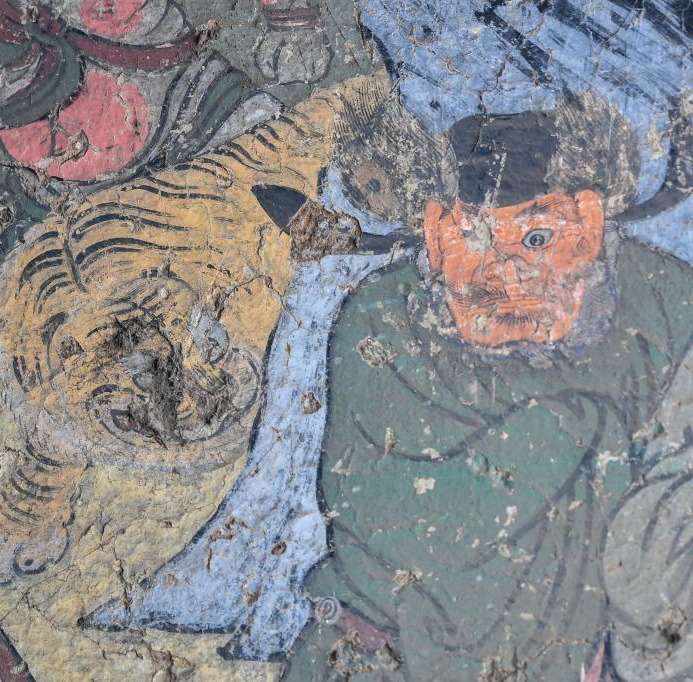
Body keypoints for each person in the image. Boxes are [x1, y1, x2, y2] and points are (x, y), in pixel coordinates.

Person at [285, 92, 693, 680]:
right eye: (473, 241)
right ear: (435, 236)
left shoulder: (663, 302)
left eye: (536, 240)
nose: (502, 275)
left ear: (588, 226)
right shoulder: (381, 320)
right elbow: (389, 521)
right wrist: (578, 425)